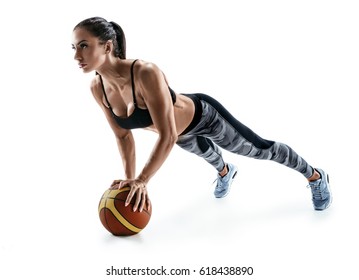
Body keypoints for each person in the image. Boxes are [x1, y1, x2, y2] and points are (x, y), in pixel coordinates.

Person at [72, 17, 331, 213]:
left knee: (259, 149)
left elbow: (167, 134)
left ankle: (315, 175)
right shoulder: (98, 88)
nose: (76, 55)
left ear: (107, 46)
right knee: (211, 157)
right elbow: (123, 137)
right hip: (181, 134)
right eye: (73, 47)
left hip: (204, 117)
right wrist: (130, 179)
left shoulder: (144, 72)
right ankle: (226, 172)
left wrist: (142, 180)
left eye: (83, 46)